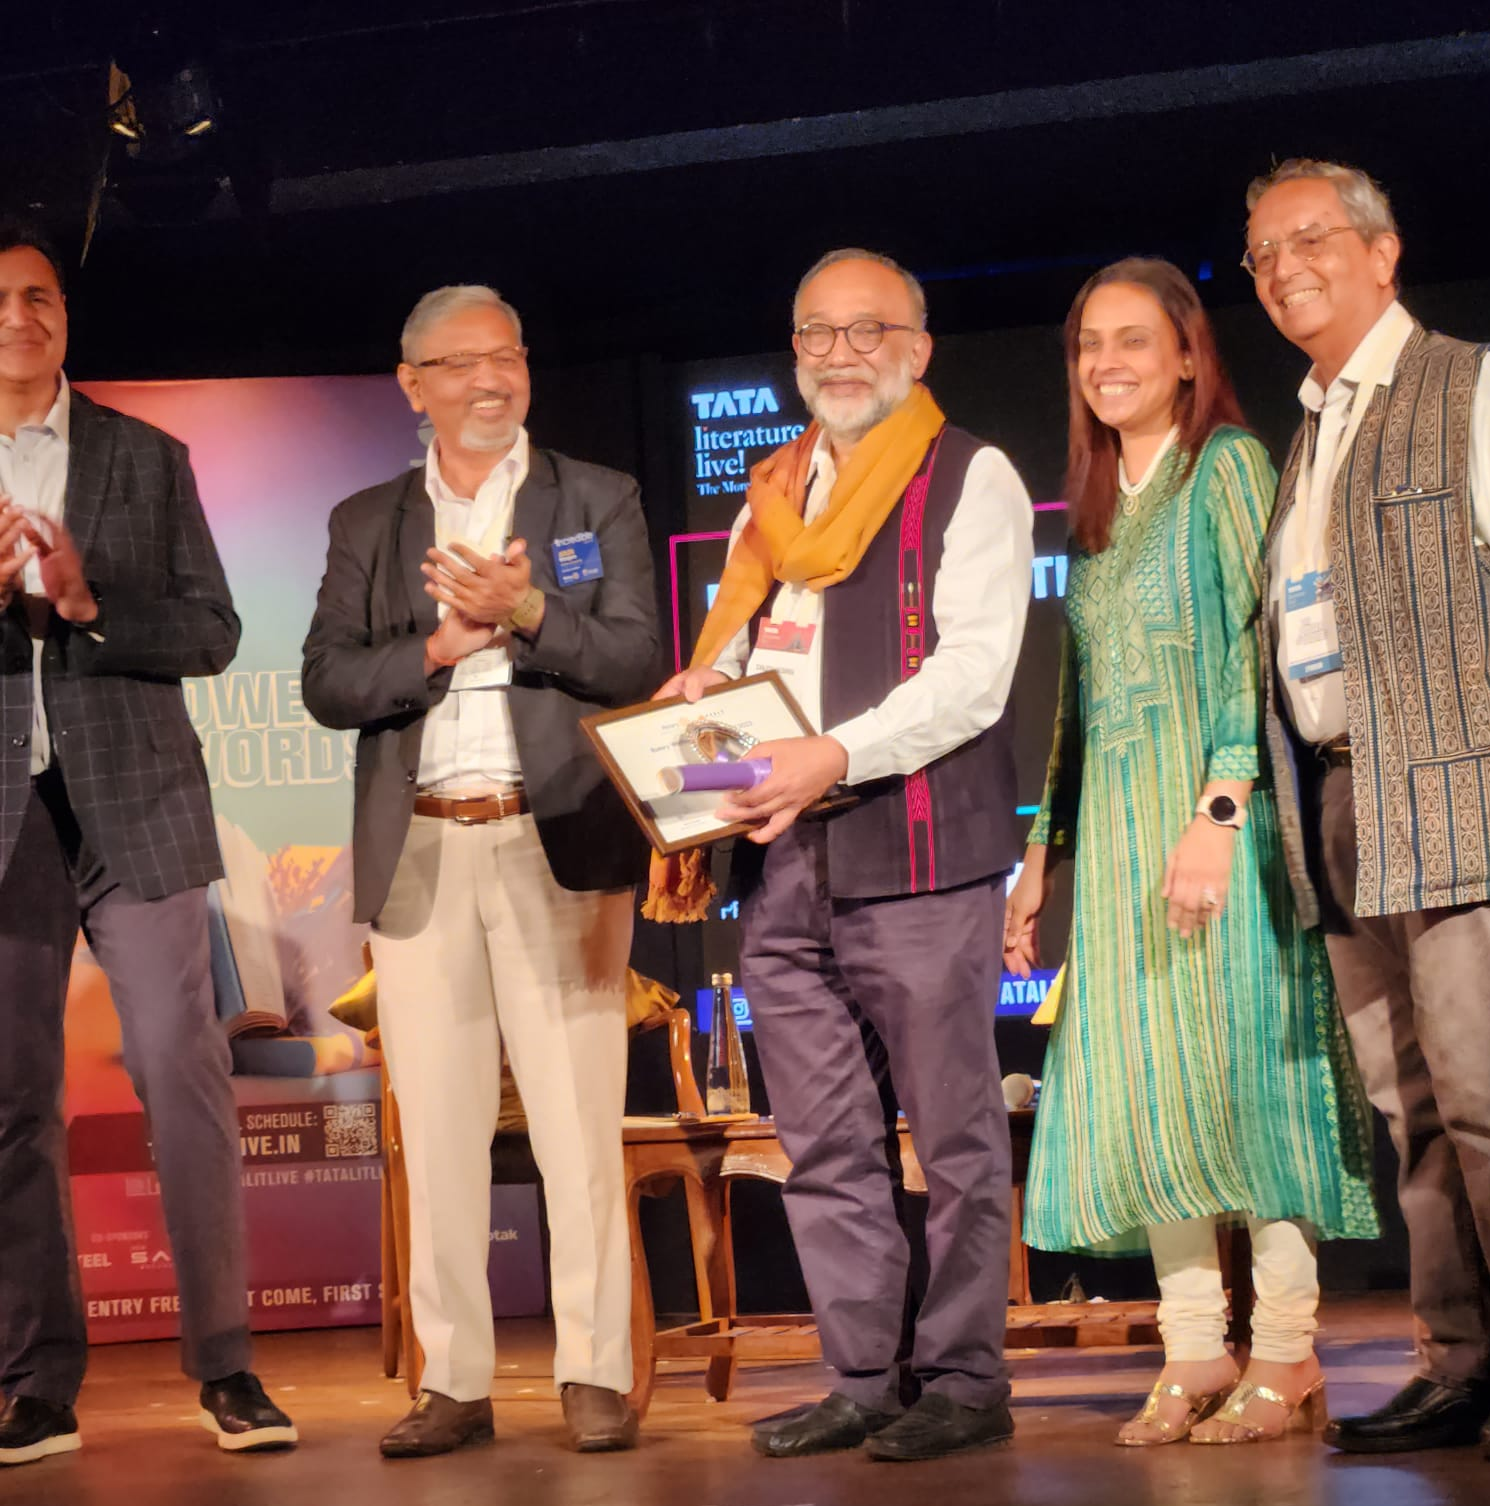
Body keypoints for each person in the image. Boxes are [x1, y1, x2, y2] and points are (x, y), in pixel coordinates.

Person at [658, 248, 1034, 1461]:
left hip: (917, 850)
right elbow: (741, 646)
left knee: (956, 1136)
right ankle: (865, 1372)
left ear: (917, 348)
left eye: (866, 331)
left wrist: (835, 754)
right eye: (815, 334)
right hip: (782, 865)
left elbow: (973, 678)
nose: (838, 355)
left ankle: (966, 1380)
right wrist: (698, 696)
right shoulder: (770, 494)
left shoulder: (969, 474)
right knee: (821, 1139)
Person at [1005, 257, 1377, 1447]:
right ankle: (1189, 1348)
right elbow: (1079, 692)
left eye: (1130, 341)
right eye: (1085, 345)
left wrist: (1217, 812)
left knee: (1242, 1084)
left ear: (1183, 354)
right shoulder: (1098, 500)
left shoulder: (1226, 467)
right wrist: (1041, 854)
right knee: (1142, 1091)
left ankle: (1283, 1349)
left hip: (1215, 822)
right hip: (1115, 845)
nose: (1105, 363)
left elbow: (1250, 647)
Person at [302, 284, 658, 1458]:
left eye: (505, 355)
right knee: (439, 1128)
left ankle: (594, 1372)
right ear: (413, 385)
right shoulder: (368, 521)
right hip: (422, 849)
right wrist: (439, 648)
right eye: (460, 364)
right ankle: (451, 1381)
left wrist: (531, 611)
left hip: (555, 839)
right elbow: (328, 684)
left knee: (574, 1124)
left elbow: (635, 657)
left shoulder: (594, 496)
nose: (490, 381)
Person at [0, 223, 296, 1467]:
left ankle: (225, 1366)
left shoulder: (143, 456)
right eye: (0, 300)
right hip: (8, 820)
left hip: (141, 805)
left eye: (40, 297)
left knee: (183, 1077)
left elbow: (216, 630)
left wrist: (84, 605)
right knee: (14, 1106)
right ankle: (36, 1383)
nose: (20, 316)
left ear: (66, 317)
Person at [1244, 159, 1490, 1457]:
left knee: (1485, 1098)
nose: (1284, 265)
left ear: (1382, 253)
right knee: (1414, 1119)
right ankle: (1457, 1359)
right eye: (1261, 254)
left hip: (1457, 800)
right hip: (1336, 803)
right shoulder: (1307, 428)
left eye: (1309, 239)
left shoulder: (1466, 385)